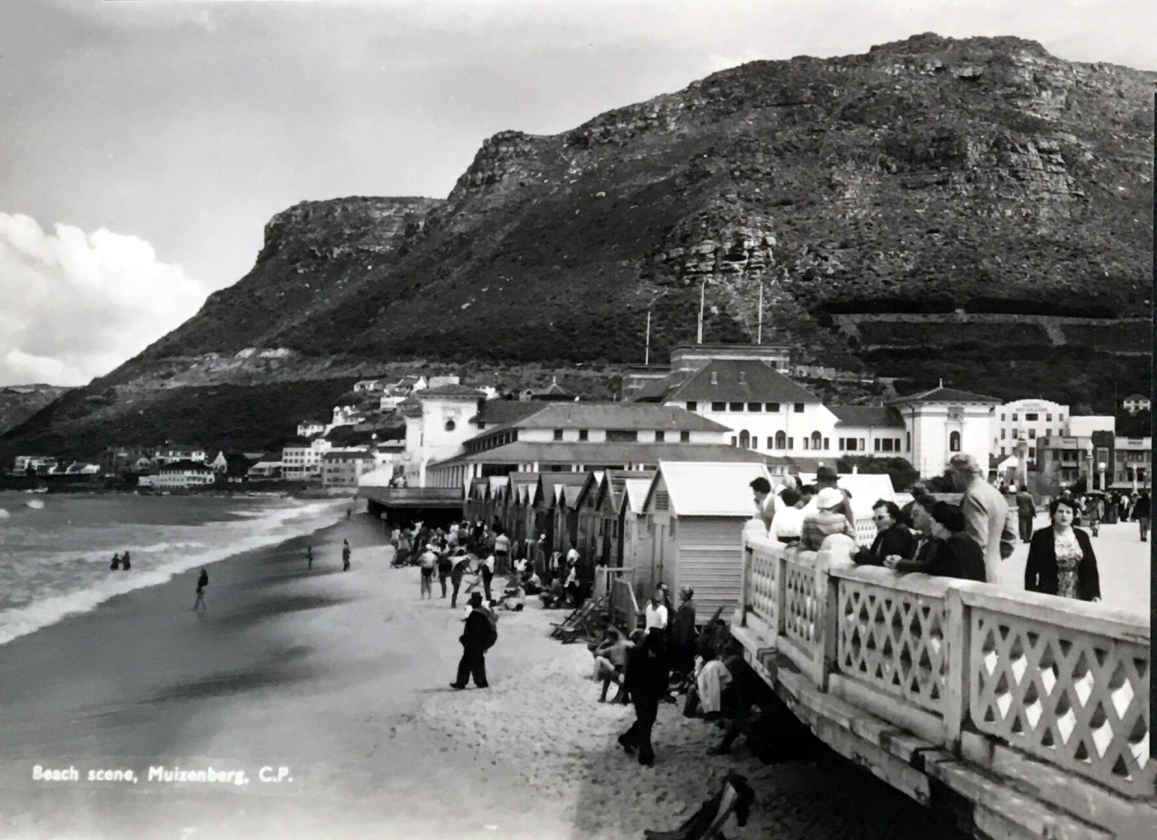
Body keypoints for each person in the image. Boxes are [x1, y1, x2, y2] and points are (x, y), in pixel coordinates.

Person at [948, 453, 1014, 583]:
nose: (952, 479)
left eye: (952, 474)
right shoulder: (996, 493)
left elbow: (976, 541)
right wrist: (994, 557)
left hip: (978, 575)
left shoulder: (972, 496)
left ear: (958, 473)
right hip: (996, 570)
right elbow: (1011, 537)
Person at [885, 501, 985, 582]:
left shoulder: (952, 544)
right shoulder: (966, 540)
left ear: (941, 525)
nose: (931, 525)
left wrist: (900, 563)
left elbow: (930, 567)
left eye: (932, 522)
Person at [1025, 498, 1102, 601]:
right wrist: (1031, 596)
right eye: (1060, 511)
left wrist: (1094, 594)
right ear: (1053, 514)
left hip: (1079, 595)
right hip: (1049, 596)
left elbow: (1091, 568)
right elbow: (1031, 569)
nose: (1064, 515)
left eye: (1068, 512)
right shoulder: (1040, 536)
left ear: (1073, 515)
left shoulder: (1082, 536)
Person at [618, 627, 666, 766]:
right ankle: (646, 755)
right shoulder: (636, 652)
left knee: (648, 720)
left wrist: (663, 692)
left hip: (652, 693)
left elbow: (662, 674)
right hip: (639, 692)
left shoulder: (661, 652)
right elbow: (629, 674)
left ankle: (627, 738)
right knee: (645, 722)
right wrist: (625, 692)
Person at [450, 592, 492, 689]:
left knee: (468, 662)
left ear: (476, 601)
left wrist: (464, 639)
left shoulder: (476, 614)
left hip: (476, 641)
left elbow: (474, 631)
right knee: (473, 661)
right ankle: (479, 682)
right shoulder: (482, 611)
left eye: (473, 600)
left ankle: (468, 682)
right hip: (481, 640)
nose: (471, 602)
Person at [856, 500, 916, 565]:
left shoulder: (899, 532)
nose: (876, 522)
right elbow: (874, 554)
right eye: (874, 519)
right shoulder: (883, 532)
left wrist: (858, 556)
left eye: (880, 518)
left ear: (893, 518)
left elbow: (885, 562)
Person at [591, 626, 634, 703]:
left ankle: (603, 696)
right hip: (632, 677)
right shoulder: (627, 644)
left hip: (624, 679)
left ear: (610, 638)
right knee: (613, 671)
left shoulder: (612, 649)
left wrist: (603, 643)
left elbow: (597, 653)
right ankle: (607, 697)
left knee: (606, 671)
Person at [670, 586, 697, 686]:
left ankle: (684, 681)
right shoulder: (687, 605)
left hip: (683, 639)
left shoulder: (687, 607)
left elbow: (685, 626)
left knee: (684, 660)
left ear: (686, 594)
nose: (679, 594)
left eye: (681, 593)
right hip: (684, 638)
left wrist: (682, 642)